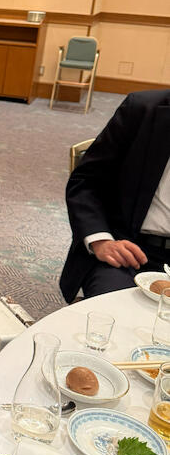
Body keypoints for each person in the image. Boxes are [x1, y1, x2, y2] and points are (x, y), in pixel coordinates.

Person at [60, 88, 170, 303]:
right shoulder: (142, 108)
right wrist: (101, 241)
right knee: (117, 311)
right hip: (127, 249)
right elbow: (86, 182)